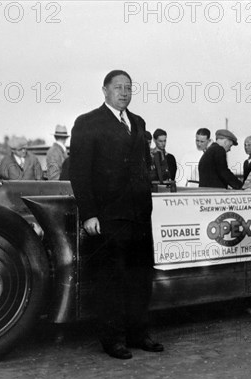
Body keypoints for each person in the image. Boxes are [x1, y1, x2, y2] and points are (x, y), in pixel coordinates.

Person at [69, 69, 163, 360]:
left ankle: (138, 334)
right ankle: (113, 340)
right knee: (111, 280)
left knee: (140, 277)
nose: (124, 92)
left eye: (128, 88)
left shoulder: (138, 123)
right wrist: (89, 214)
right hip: (108, 217)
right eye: (118, 87)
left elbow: (142, 167)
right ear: (105, 90)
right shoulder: (87, 123)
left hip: (138, 215)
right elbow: (79, 173)